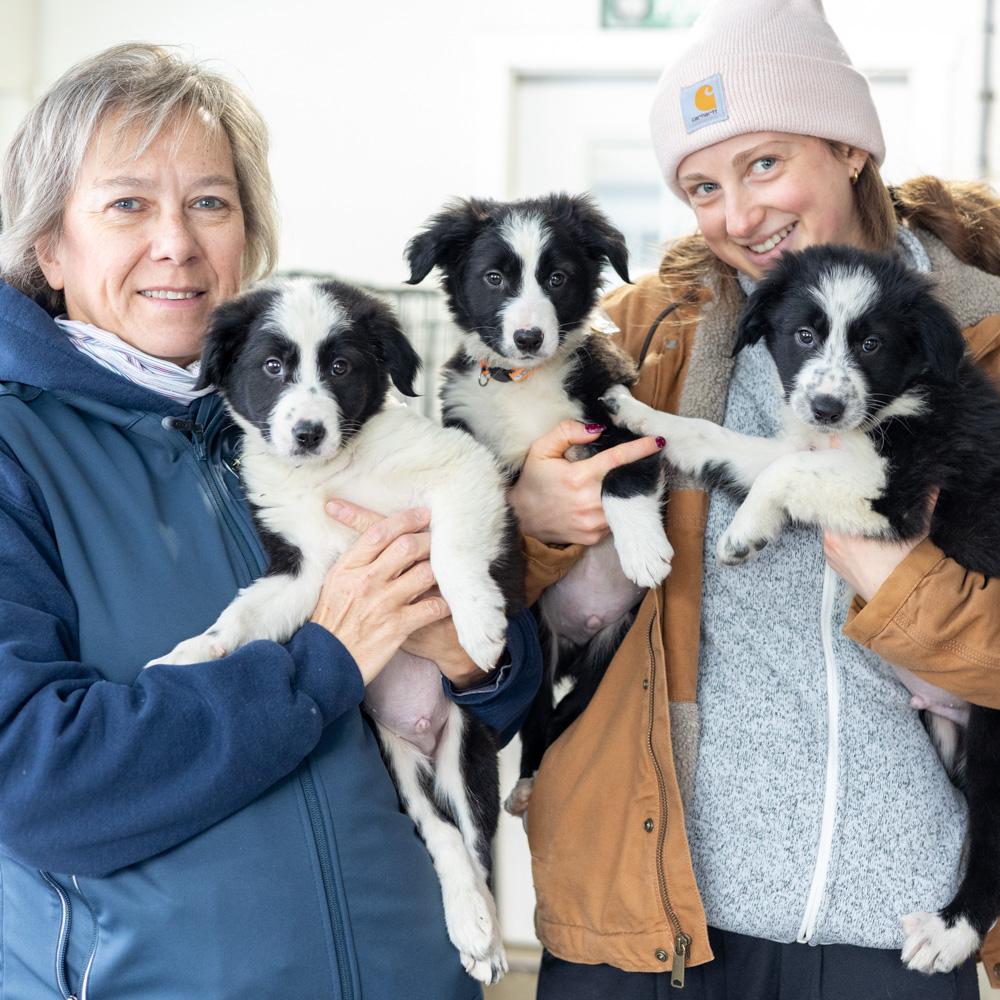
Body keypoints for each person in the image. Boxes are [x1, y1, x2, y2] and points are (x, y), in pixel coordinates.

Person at [0, 43, 541, 1000]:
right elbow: (36, 779)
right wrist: (324, 658)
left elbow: (504, 688)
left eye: (209, 202)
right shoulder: (16, 448)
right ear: (49, 245)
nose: (176, 240)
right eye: (128, 204)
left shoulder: (313, 414)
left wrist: (479, 661)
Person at [507, 2, 1000, 998]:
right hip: (651, 912)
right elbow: (504, 604)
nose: (737, 215)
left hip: (894, 921)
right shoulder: (648, 337)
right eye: (701, 185)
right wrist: (537, 520)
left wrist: (905, 589)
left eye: (763, 164)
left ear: (848, 148)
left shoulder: (983, 338)